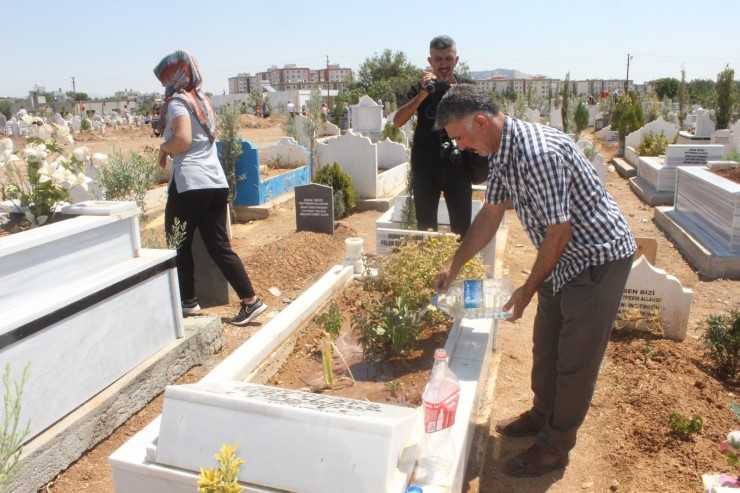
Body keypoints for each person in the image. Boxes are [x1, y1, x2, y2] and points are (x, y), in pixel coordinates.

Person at [432, 84, 636, 477]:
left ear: (479, 122)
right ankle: (543, 414)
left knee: (575, 362)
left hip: (596, 261)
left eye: (459, 136)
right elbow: (491, 214)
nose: (459, 146)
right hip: (561, 259)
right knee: (546, 347)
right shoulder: (501, 152)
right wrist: (454, 265)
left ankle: (555, 446)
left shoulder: (536, 154)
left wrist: (527, 289)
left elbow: (561, 231)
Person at [154, 49, 267, 326]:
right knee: (219, 245)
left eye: (166, 77)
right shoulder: (202, 100)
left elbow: (182, 139)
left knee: (178, 243)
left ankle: (188, 301)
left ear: (175, 75)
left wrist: (163, 148)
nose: (164, 83)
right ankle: (250, 301)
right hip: (215, 183)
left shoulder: (179, 102)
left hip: (191, 183)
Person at [393, 35, 483, 237]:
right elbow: (398, 121)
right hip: (426, 169)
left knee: (462, 231)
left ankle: (459, 268)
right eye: (438, 59)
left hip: (459, 167)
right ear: (430, 61)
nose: (443, 64)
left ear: (456, 60)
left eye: (448, 59)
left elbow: (482, 123)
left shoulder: (468, 87)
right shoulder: (421, 88)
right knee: (425, 231)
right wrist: (423, 94)